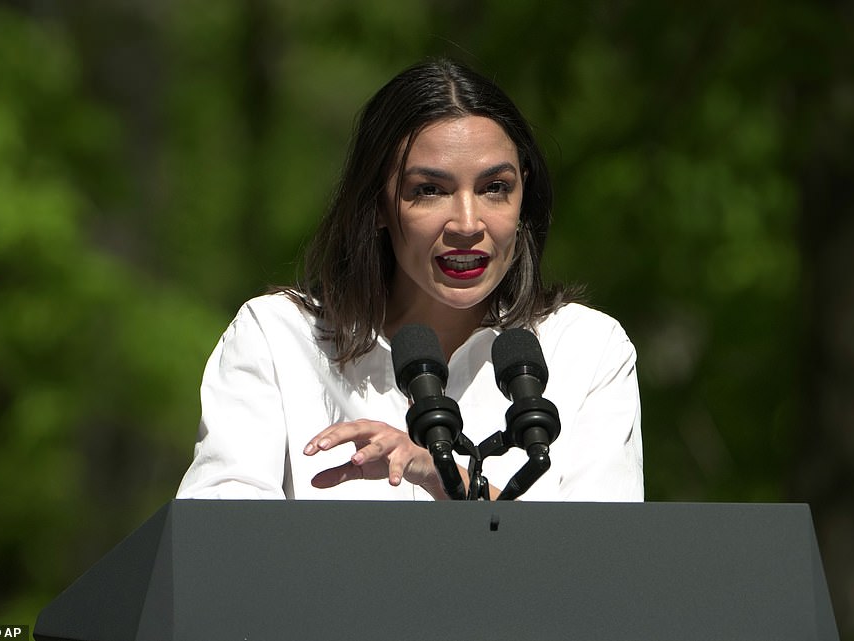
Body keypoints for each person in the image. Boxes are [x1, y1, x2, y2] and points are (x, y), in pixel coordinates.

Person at [176, 58, 643, 502]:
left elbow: (601, 572)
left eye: (494, 188)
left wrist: (442, 477)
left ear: (524, 192)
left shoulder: (587, 348)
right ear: (378, 203)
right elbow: (213, 552)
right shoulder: (278, 339)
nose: (466, 223)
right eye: (430, 190)